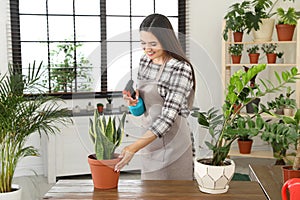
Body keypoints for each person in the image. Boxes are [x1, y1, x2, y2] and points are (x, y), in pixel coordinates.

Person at [114, 13, 195, 180]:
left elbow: (167, 118)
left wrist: (133, 147)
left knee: (175, 193)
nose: (147, 49)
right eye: (143, 43)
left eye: (153, 44)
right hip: (150, 143)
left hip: (174, 144)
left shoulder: (180, 68)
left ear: (166, 40)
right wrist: (135, 103)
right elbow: (144, 108)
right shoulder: (145, 61)